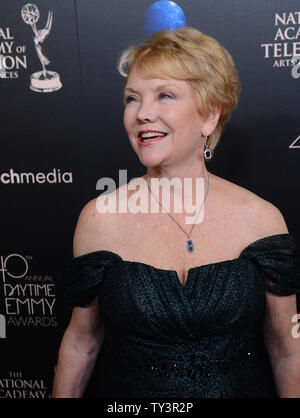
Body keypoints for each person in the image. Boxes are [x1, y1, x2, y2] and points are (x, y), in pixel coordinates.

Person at [52, 27, 300, 398]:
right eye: (132, 99)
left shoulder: (260, 219)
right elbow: (82, 341)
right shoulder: (99, 218)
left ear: (209, 116)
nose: (142, 114)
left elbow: (287, 348)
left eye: (164, 95)